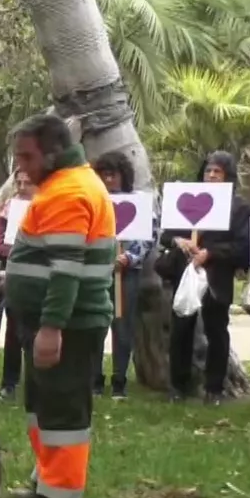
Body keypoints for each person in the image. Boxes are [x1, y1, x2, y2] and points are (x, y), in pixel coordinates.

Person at [2, 114, 115, 498]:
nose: (21, 167)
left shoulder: (69, 192)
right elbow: (54, 255)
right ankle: (46, 486)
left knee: (63, 414)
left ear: (53, 152)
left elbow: (66, 270)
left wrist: (51, 328)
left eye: (27, 157)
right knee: (44, 407)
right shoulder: (64, 185)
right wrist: (16, 276)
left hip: (69, 325)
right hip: (60, 320)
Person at [161, 151, 250, 404]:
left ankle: (214, 388)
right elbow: (166, 235)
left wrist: (209, 253)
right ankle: (178, 385)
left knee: (216, 330)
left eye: (217, 171)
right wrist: (179, 241)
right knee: (181, 329)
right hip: (185, 273)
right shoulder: (186, 200)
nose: (211, 175)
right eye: (208, 171)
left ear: (228, 176)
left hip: (216, 276)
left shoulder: (239, 207)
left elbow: (242, 245)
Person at [90, 153, 151, 399]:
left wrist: (130, 257)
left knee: (123, 327)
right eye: (104, 175)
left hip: (127, 275)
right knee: (95, 325)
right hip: (97, 273)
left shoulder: (138, 202)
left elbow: (148, 236)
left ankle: (119, 381)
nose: (109, 180)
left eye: (113, 175)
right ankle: (94, 380)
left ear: (123, 175)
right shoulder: (93, 201)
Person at [0, 172, 37, 399]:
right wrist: (17, 251)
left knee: (35, 332)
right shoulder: (8, 208)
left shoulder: (46, 207)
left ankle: (35, 382)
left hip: (39, 276)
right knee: (13, 331)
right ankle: (9, 382)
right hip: (11, 274)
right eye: (18, 182)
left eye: (27, 182)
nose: (21, 186)